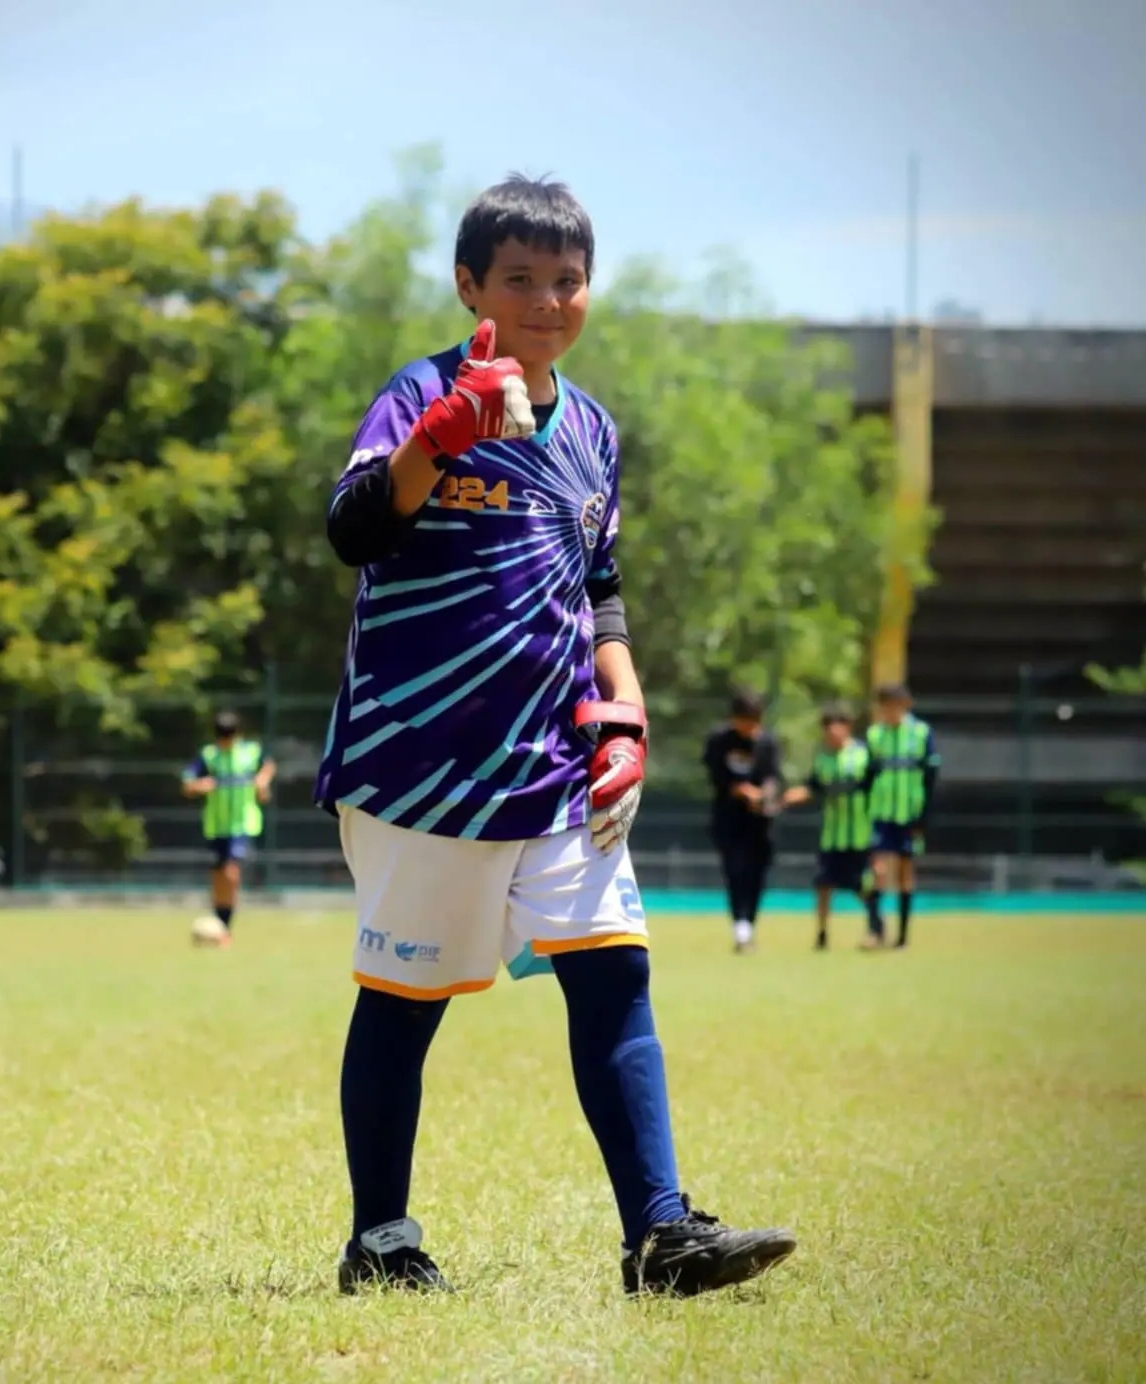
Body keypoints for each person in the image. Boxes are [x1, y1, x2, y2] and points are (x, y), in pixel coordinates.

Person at [315, 174, 795, 1299]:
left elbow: (600, 589)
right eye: (519, 279)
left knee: (616, 977)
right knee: (403, 1001)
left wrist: (621, 714)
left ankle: (661, 1236)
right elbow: (352, 532)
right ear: (468, 284)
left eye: (567, 280)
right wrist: (438, 437)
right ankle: (378, 1240)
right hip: (420, 759)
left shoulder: (592, 431)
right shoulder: (421, 391)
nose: (546, 300)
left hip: (553, 762)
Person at [781, 704, 881, 951]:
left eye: (838, 729)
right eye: (828, 730)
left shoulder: (864, 755)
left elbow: (877, 790)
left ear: (848, 728)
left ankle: (875, 927)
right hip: (832, 835)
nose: (833, 735)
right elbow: (813, 787)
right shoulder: (822, 758)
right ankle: (822, 935)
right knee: (823, 883)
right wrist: (788, 796)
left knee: (863, 885)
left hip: (860, 834)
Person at [180, 710, 275, 943]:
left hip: (243, 824)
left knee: (231, 872)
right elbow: (187, 782)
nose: (225, 742)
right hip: (216, 825)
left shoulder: (250, 752)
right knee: (218, 875)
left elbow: (269, 765)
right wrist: (198, 785)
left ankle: (225, 927)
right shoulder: (209, 756)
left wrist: (263, 782)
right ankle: (219, 920)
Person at [701, 688, 783, 954]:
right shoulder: (719, 741)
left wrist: (765, 795)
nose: (749, 726)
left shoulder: (767, 743)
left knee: (757, 874)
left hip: (760, 824)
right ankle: (740, 927)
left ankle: (749, 925)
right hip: (729, 821)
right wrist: (739, 790)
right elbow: (716, 776)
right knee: (735, 872)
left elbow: (774, 777)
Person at [865, 683, 940, 948]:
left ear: (905, 705)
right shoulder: (875, 736)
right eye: (884, 707)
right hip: (881, 813)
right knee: (878, 871)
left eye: (894, 706)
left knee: (906, 873)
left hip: (910, 814)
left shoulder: (920, 733)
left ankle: (903, 937)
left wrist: (924, 815)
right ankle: (875, 930)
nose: (889, 712)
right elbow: (868, 776)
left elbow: (931, 776)